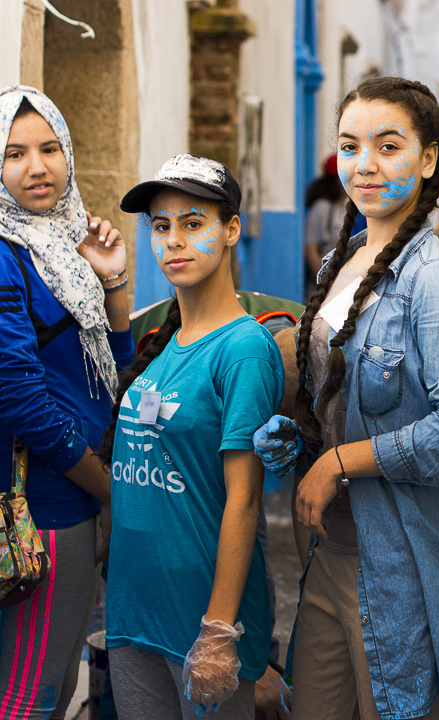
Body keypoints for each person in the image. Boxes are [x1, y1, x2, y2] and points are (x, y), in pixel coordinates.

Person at [254, 76, 439, 720]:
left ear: (428, 160)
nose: (365, 165)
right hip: (328, 555)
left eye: (388, 146)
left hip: (402, 564)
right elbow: (335, 394)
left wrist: (340, 463)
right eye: (350, 146)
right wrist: (299, 434)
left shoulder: (432, 280)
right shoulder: (343, 257)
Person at [101, 153, 284, 719]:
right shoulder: (161, 346)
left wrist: (219, 629)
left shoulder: (243, 350)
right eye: (161, 226)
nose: (174, 241)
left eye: (193, 222)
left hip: (203, 619)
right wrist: (114, 284)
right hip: (135, 612)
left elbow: (245, 501)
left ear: (230, 230)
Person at [0, 85, 133, 720]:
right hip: (38, 506)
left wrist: (111, 283)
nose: (37, 167)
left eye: (50, 148)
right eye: (14, 153)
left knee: (44, 690)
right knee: (32, 695)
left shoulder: (62, 247)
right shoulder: (4, 255)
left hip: (69, 497)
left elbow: (108, 375)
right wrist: (111, 490)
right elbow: (19, 399)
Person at [303, 155, 349, 295]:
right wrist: (326, 282)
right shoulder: (321, 207)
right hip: (325, 287)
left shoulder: (343, 206)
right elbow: (311, 250)